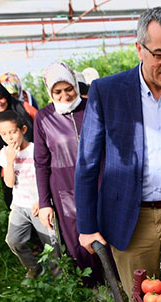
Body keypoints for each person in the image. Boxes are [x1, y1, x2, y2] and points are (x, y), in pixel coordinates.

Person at [75, 7, 161, 299]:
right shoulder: (107, 92)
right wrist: (87, 227)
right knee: (143, 300)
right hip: (130, 213)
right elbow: (87, 164)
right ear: (139, 48)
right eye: (160, 54)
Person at [34, 61, 107, 287]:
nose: (65, 95)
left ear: (77, 85)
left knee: (107, 231)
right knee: (78, 239)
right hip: (64, 187)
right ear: (49, 92)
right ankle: (93, 289)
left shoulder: (92, 107)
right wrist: (45, 202)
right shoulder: (44, 118)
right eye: (58, 91)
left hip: (100, 180)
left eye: (69, 89)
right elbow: (41, 162)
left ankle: (120, 284)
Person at [0, 110, 61, 280]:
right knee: (13, 240)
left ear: (23, 130)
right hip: (19, 206)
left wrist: (42, 201)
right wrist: (10, 161)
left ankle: (59, 279)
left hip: (39, 205)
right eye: (4, 134)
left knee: (51, 245)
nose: (10, 137)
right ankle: (34, 268)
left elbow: (48, 177)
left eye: (13, 132)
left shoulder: (35, 149)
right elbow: (9, 183)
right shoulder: (5, 153)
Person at [0, 79, 36, 208]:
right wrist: (9, 155)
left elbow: (43, 123)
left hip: (35, 162)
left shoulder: (22, 107)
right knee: (17, 206)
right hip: (11, 170)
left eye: (0, 97)